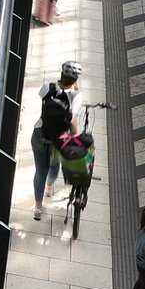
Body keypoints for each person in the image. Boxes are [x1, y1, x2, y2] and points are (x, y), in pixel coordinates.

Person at [31, 61, 82, 220]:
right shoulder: (76, 95)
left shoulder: (48, 87)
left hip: (40, 134)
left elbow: (41, 96)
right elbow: (73, 122)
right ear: (74, 79)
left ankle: (38, 208)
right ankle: (49, 187)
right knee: (54, 166)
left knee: (40, 170)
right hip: (58, 140)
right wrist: (74, 135)